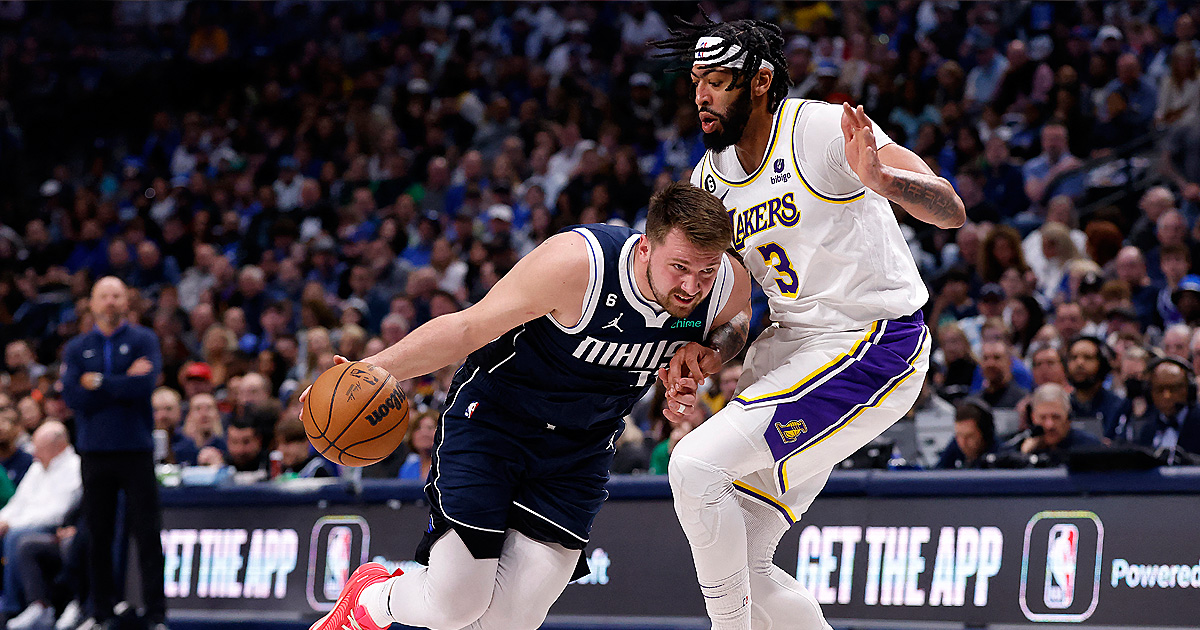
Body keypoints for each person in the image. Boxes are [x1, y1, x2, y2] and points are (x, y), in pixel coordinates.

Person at [304, 182, 752, 630]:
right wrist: (373, 369)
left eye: (706, 271)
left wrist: (707, 355)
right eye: (679, 267)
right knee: (455, 605)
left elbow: (738, 318)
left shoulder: (725, 284)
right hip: (495, 423)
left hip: (581, 449)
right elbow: (467, 328)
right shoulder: (578, 264)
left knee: (509, 622)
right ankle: (372, 597)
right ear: (645, 248)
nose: (692, 285)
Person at [653, 17, 963, 630]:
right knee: (742, 557)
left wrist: (885, 181)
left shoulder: (821, 128)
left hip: (874, 341)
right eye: (697, 80)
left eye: (718, 81)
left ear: (760, 82)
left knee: (692, 465)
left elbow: (949, 207)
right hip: (792, 348)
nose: (702, 95)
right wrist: (709, 351)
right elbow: (740, 303)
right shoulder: (708, 180)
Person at [59, 276, 167, 630]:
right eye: (103, 296)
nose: (110, 301)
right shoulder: (76, 347)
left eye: (116, 295)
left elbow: (145, 385)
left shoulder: (143, 339)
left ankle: (156, 615)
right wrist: (122, 381)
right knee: (97, 536)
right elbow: (74, 398)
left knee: (147, 535)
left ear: (127, 302)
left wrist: (100, 382)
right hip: (95, 452)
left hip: (136, 449)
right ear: (91, 303)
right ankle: (100, 613)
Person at [0, 421, 81, 627]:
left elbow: (57, 513)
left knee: (17, 537)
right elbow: (18, 502)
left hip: (55, 529)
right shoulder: (38, 467)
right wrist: (3, 520)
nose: (34, 453)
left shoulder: (74, 467)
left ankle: (13, 607)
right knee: (10, 532)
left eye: (39, 448)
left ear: (57, 446)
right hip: (24, 524)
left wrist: (13, 524)